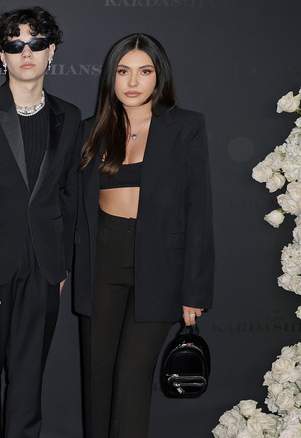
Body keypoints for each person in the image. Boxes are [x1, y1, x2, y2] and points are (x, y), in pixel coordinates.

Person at [73, 33, 214, 438]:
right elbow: (70, 209)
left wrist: (195, 291)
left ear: (159, 77)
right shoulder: (90, 130)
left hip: (160, 263)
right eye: (123, 71)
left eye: (144, 71)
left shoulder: (185, 126)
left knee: (132, 381)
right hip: (102, 255)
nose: (133, 82)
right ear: (111, 78)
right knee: (97, 381)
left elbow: (198, 211)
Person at [0, 7, 81, 437]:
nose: (25, 52)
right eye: (15, 44)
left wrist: (63, 264)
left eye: (35, 43)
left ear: (51, 52)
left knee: (29, 384)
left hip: (45, 268)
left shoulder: (69, 117)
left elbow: (70, 194)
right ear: (1, 55)